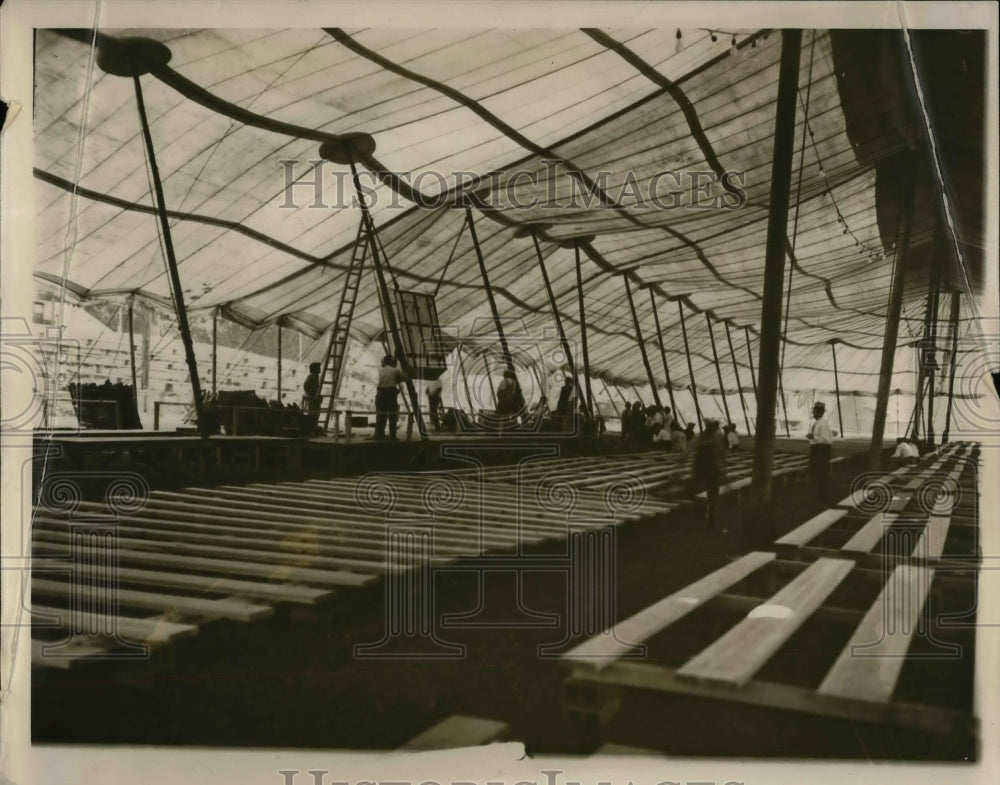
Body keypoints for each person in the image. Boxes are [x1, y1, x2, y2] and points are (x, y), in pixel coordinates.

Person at [691, 419, 727, 527]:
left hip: (700, 471)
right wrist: (725, 469)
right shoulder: (716, 439)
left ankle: (704, 518)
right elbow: (722, 455)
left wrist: (679, 462)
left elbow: (688, 450)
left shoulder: (701, 438)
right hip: (712, 471)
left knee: (699, 493)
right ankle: (711, 520)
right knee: (712, 497)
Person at [374, 354, 407, 440]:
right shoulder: (395, 371)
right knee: (392, 415)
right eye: (395, 361)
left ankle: (379, 435)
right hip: (390, 394)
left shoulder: (381, 370)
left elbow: (389, 381)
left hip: (380, 393)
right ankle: (392, 436)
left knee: (381, 415)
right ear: (391, 362)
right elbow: (405, 378)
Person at [806, 401, 834, 501]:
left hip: (821, 450)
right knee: (817, 472)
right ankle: (820, 494)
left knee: (821, 472)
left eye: (814, 411)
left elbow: (826, 440)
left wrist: (813, 436)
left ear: (819, 412)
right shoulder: (819, 423)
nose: (813, 413)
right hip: (817, 450)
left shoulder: (823, 424)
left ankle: (823, 495)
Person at [495, 369, 525, 434]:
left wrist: (500, 398)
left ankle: (501, 431)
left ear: (505, 375)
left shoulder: (504, 381)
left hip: (503, 402)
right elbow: (513, 392)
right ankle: (509, 430)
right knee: (510, 415)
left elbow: (499, 391)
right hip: (511, 402)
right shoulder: (514, 382)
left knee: (501, 416)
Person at [302, 362, 322, 433]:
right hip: (312, 397)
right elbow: (305, 386)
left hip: (314, 397)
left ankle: (313, 427)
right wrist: (311, 394)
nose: (320, 369)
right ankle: (312, 428)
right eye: (318, 367)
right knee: (313, 412)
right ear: (314, 369)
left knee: (316, 412)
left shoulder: (316, 376)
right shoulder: (311, 376)